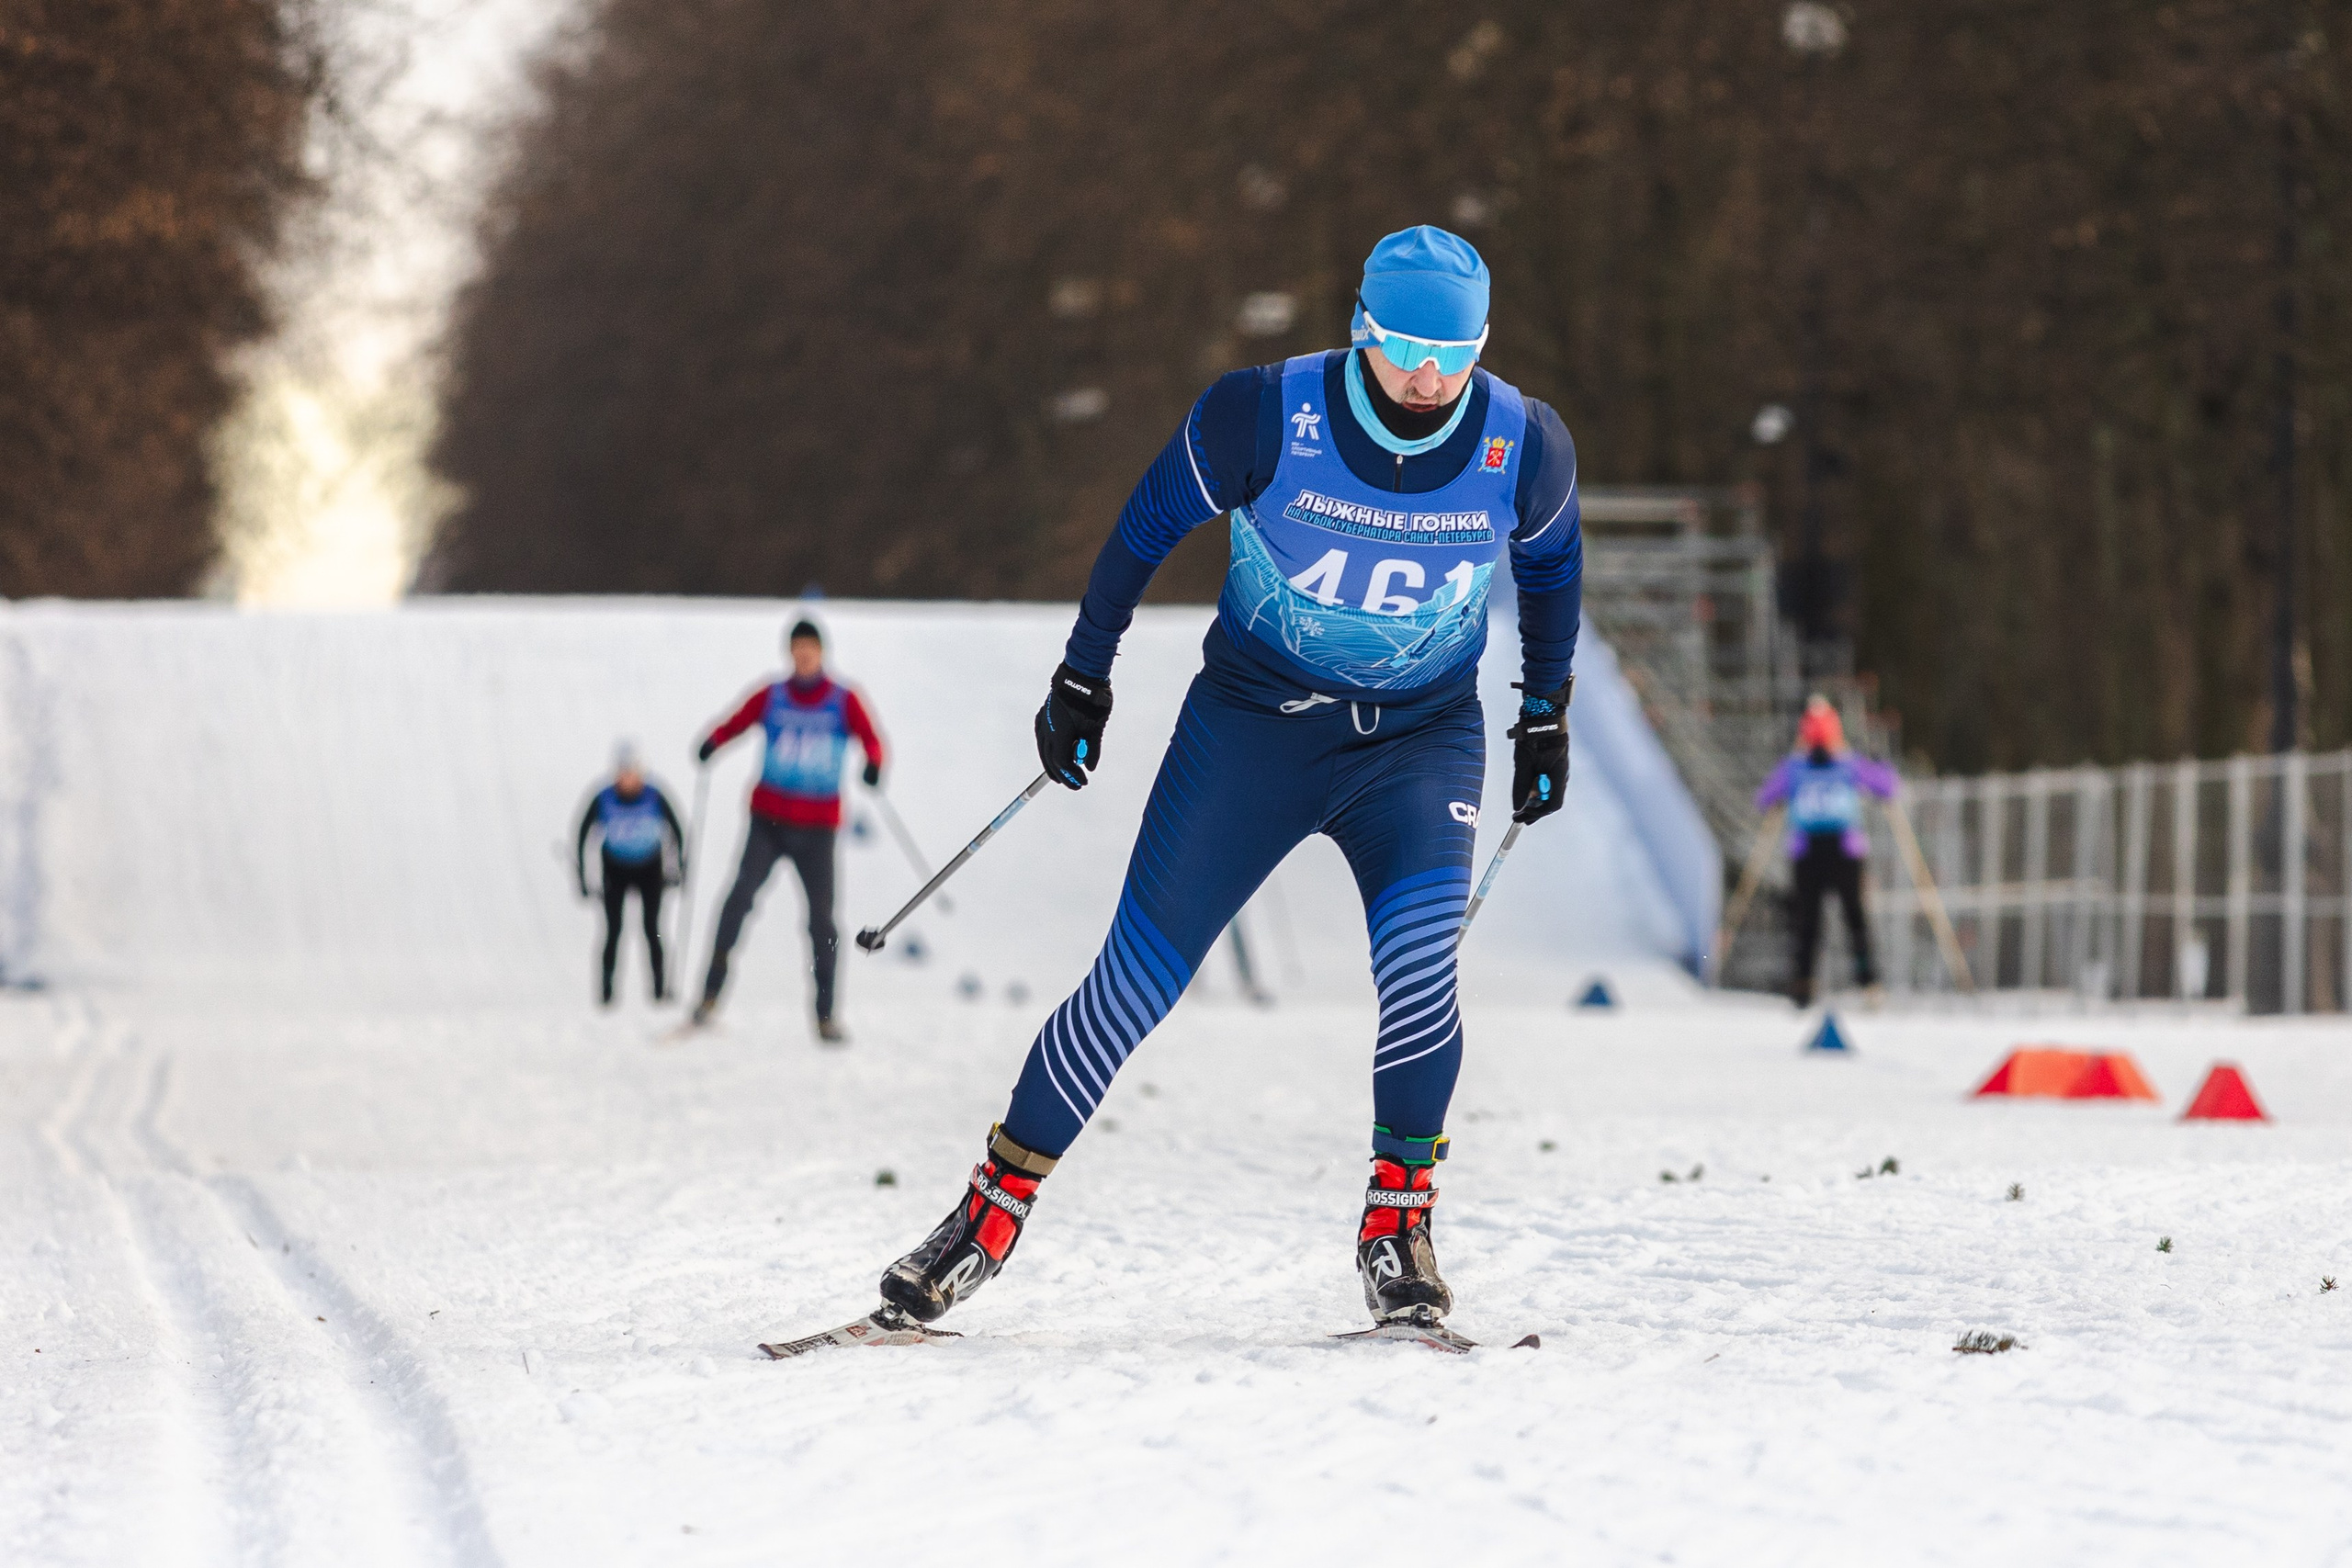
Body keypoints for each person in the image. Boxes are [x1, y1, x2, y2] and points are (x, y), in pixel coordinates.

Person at [855, 226, 1584, 1339]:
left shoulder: (1522, 443)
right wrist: (1082, 680)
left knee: (1421, 974)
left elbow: (1550, 567)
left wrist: (1544, 712)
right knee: (1131, 984)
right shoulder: (1259, 414)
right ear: (1360, 330)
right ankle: (985, 1220)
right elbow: (1143, 530)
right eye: (1405, 351)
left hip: (1419, 743)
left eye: (1455, 354)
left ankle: (1398, 1227)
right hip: (1253, 730)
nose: (1431, 378)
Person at [690, 619, 886, 1043]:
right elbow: (737, 721)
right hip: (770, 822)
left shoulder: (842, 699)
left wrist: (873, 764)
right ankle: (708, 997)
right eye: (796, 650)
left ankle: (825, 1015)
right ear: (789, 654)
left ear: (821, 653)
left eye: (809, 650)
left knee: (822, 921)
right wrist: (713, 741)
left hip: (817, 827)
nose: (803, 657)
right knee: (738, 900)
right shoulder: (773, 695)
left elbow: (872, 739)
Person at [1754, 695, 1898, 1008]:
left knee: (1819, 920)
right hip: (1830, 850)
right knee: (1841, 919)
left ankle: (1817, 985)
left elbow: (1763, 798)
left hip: (1822, 850)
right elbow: (1888, 786)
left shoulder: (1800, 767)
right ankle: (1858, 982)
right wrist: (1881, 764)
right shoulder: (1840, 764)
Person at [574, 742, 686, 1005]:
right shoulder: (603, 798)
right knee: (613, 930)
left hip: (650, 868)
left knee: (653, 929)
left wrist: (678, 866)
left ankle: (660, 990)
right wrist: (582, 874)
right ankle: (606, 993)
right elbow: (582, 833)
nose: (627, 778)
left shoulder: (655, 796)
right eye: (622, 772)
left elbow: (676, 830)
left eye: (632, 772)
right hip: (615, 868)